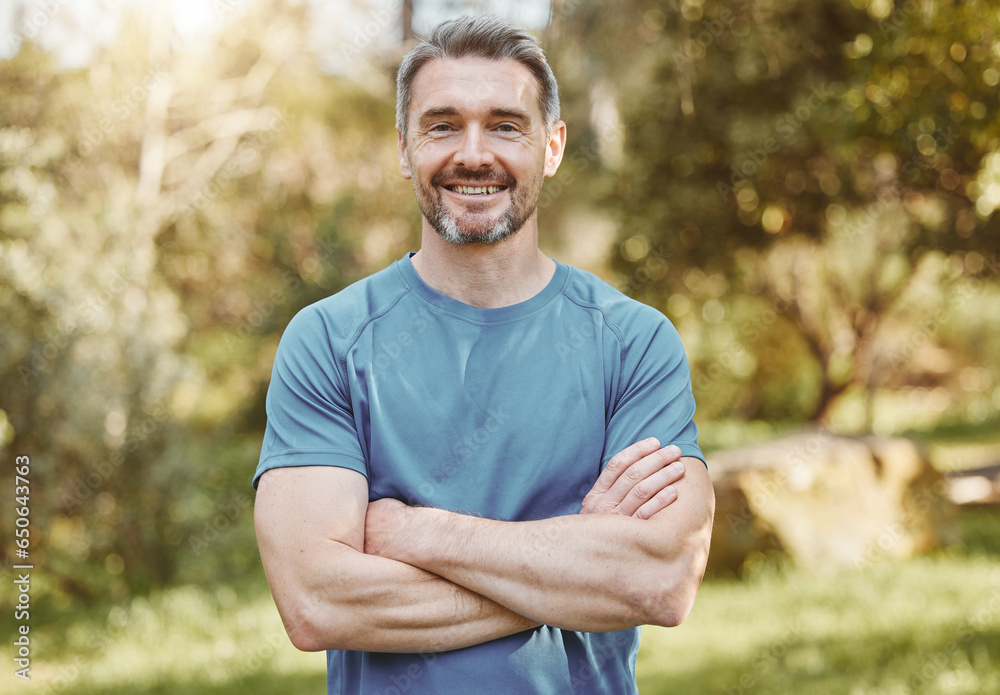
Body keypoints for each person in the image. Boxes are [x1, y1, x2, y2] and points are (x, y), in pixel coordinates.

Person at [253, 14, 714, 695]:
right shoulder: (328, 340)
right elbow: (318, 602)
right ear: (405, 148)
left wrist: (415, 534)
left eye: (505, 125)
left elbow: (660, 580)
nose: (473, 153)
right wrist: (574, 565)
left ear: (551, 146)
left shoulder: (634, 342)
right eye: (442, 125)